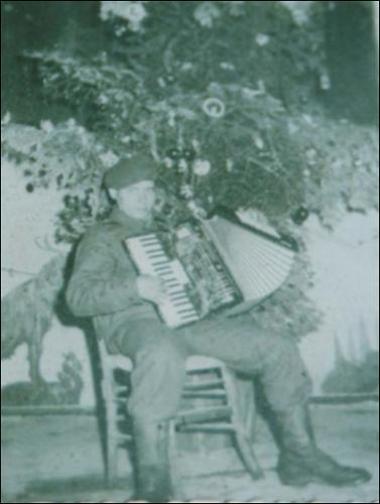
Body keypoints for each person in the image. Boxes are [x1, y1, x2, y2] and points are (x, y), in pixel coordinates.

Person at [65, 153, 371, 501]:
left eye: (149, 190)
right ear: (114, 194)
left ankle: (300, 457)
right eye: (134, 190)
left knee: (277, 347)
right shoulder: (101, 238)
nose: (144, 198)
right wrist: (135, 287)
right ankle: (153, 486)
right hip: (135, 324)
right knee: (161, 352)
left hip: (189, 322)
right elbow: (78, 297)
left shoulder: (166, 232)